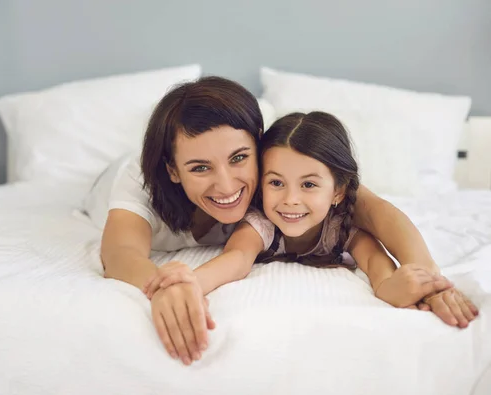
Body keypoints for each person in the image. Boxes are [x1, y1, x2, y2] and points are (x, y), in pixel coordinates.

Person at [100, 77, 454, 366]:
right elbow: (120, 252)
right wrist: (167, 287)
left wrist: (427, 278)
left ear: (258, 145)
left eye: (239, 157)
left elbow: (376, 211)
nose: (226, 185)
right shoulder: (139, 182)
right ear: (174, 170)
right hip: (102, 186)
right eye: (200, 167)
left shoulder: (278, 174)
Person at [144, 111, 478, 336]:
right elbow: (235, 260)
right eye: (276, 183)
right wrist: (190, 281)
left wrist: (417, 285)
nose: (290, 200)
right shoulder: (260, 223)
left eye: (308, 185)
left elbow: (379, 269)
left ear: (338, 191)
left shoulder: (346, 228)